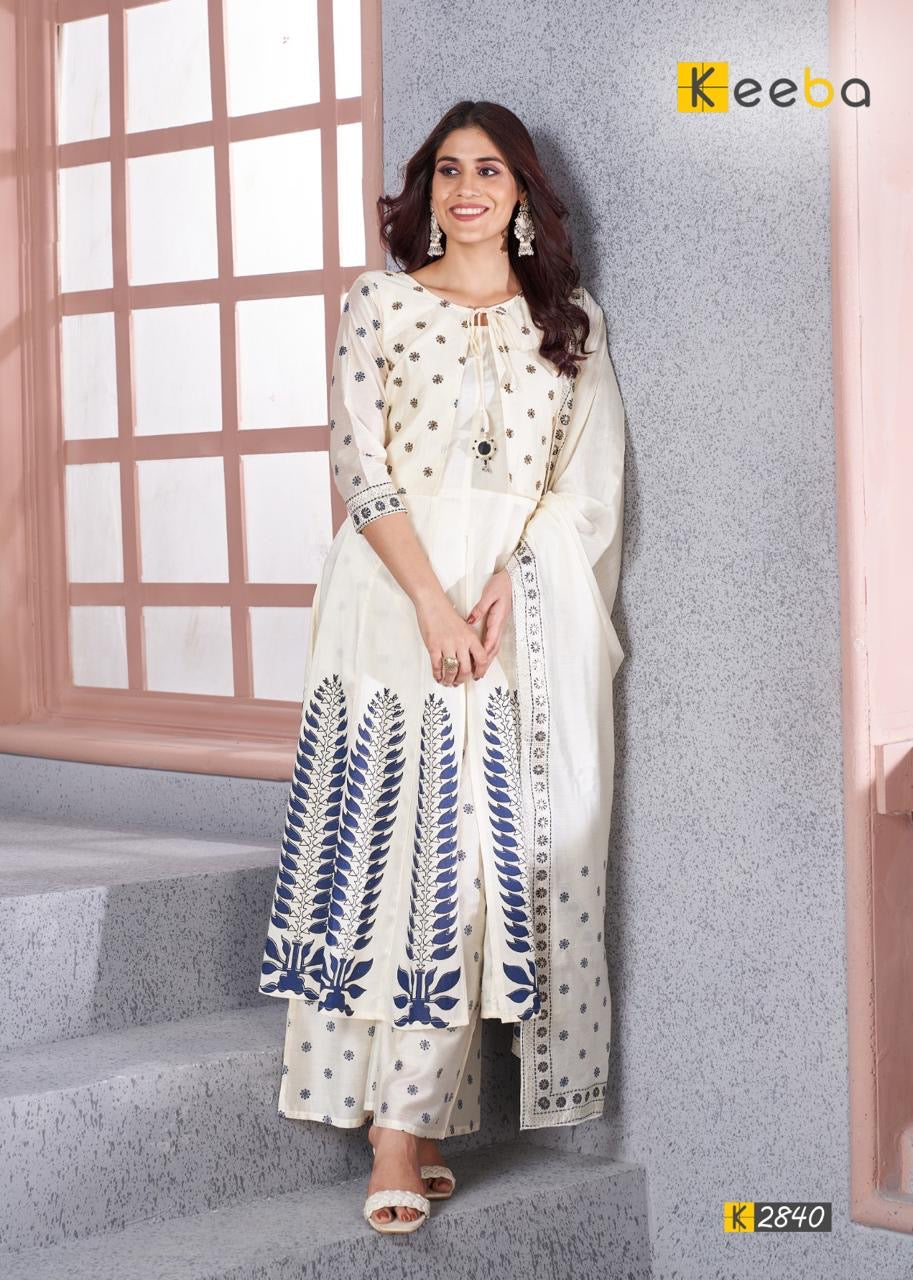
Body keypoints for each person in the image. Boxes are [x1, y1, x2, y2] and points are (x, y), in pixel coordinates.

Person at [257, 99, 626, 1235]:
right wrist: (430, 602)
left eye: (492, 170)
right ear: (425, 189)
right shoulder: (378, 303)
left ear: (523, 195)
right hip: (390, 606)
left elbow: (585, 481)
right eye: (449, 169)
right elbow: (354, 461)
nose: (468, 188)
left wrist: (515, 581)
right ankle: (398, 1132)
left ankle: (409, 1116)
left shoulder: (568, 321)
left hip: (515, 614)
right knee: (389, 861)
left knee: (473, 869)